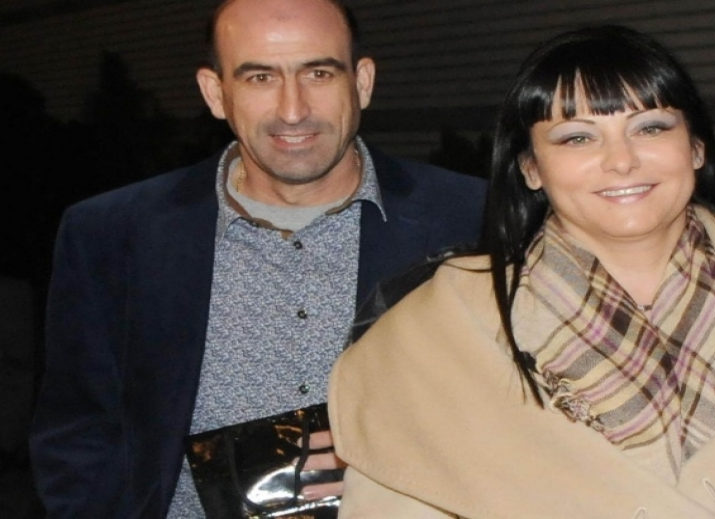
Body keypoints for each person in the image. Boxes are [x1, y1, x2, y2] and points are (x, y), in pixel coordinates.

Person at [328, 24, 715, 518]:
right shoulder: (435, 331)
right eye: (577, 138)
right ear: (531, 168)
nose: (621, 160)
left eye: (651, 127)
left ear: (696, 147)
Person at [28, 0, 486, 517]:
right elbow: (78, 430)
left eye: (318, 73)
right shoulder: (113, 234)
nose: (293, 109)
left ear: (362, 82)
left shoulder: (473, 220)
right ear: (214, 92)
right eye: (260, 77)